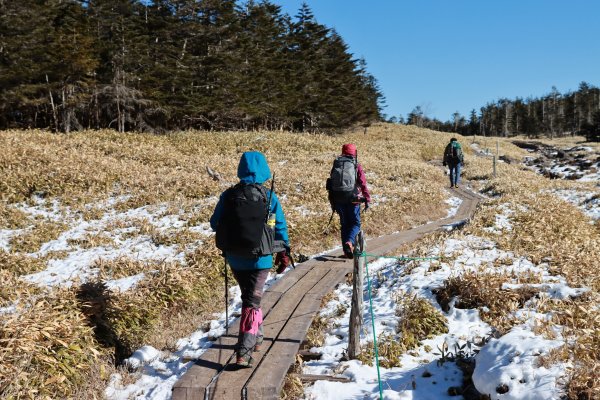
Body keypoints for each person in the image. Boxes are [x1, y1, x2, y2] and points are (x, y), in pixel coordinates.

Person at [210, 151, 290, 368]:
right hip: (261, 258)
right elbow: (280, 227)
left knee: (250, 299)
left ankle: (257, 338)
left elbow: (214, 223)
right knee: (251, 302)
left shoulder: (228, 195)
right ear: (264, 169)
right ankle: (244, 352)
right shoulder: (268, 196)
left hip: (235, 258)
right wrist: (284, 252)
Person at [326, 143, 371, 259]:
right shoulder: (356, 165)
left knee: (344, 224)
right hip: (353, 199)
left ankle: (346, 252)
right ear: (354, 152)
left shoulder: (336, 164)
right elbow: (363, 183)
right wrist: (367, 199)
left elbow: (330, 184)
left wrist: (332, 202)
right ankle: (349, 243)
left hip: (338, 199)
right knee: (355, 223)